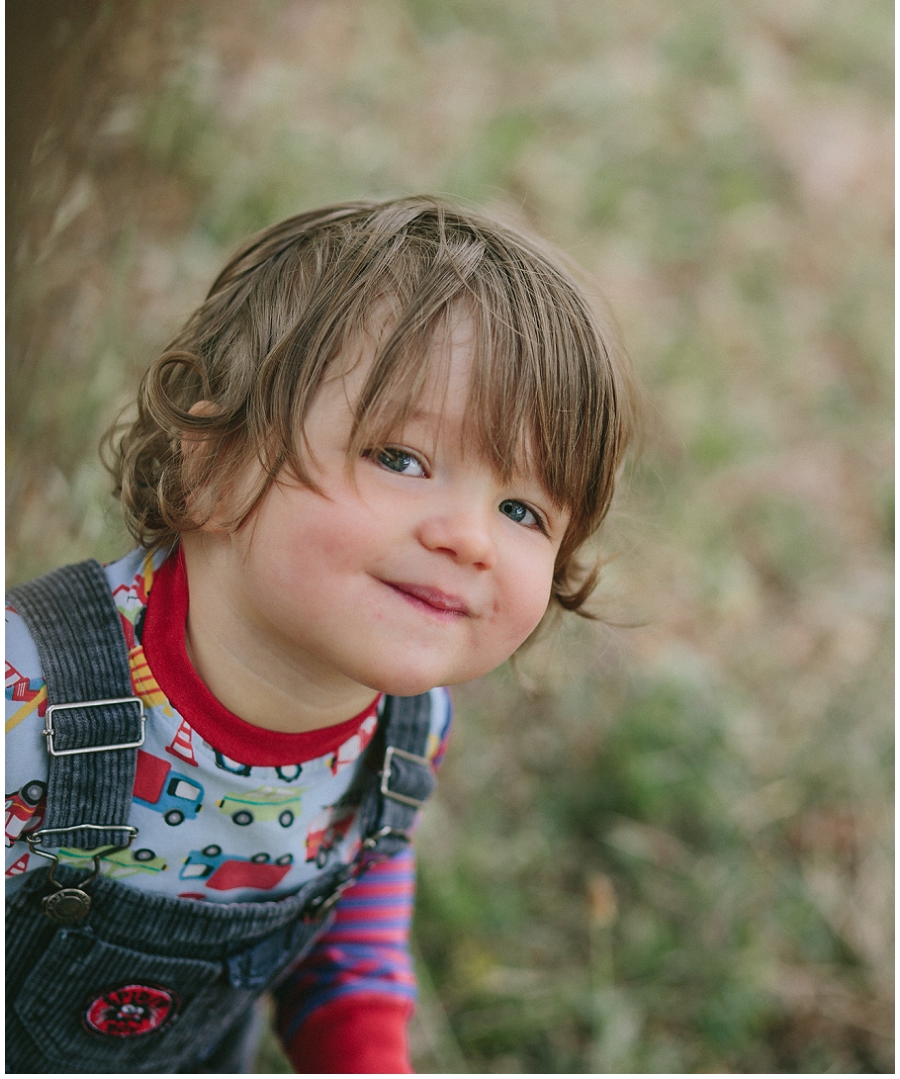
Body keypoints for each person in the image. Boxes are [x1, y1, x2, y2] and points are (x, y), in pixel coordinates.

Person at [6, 196, 635, 1073]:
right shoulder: (27, 701)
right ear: (215, 456)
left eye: (523, 508)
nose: (471, 536)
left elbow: (352, 908)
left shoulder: (405, 736)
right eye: (402, 459)